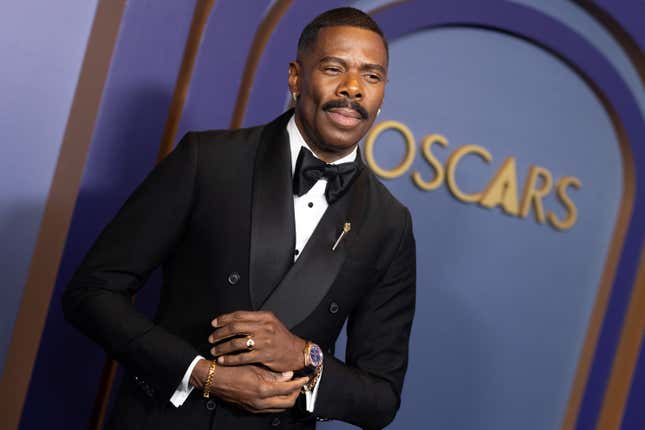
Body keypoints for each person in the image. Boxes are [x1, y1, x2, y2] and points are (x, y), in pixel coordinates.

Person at [63, 7, 416, 430]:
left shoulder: (389, 223)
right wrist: (202, 374)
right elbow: (91, 292)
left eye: (371, 77)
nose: (353, 88)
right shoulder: (208, 161)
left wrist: (307, 356)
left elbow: (380, 399)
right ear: (296, 77)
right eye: (334, 68)